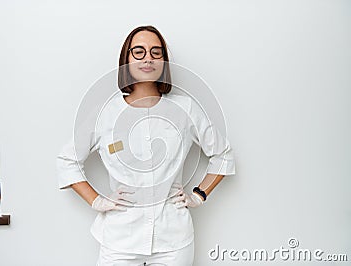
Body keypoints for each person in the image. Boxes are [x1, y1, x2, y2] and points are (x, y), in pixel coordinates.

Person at [56, 25, 236, 266]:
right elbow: (67, 160)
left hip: (173, 241)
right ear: (126, 60)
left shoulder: (186, 108)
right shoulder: (105, 113)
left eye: (156, 52)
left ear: (164, 60)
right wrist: (97, 200)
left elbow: (222, 154)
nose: (148, 58)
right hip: (119, 239)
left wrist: (199, 195)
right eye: (138, 52)